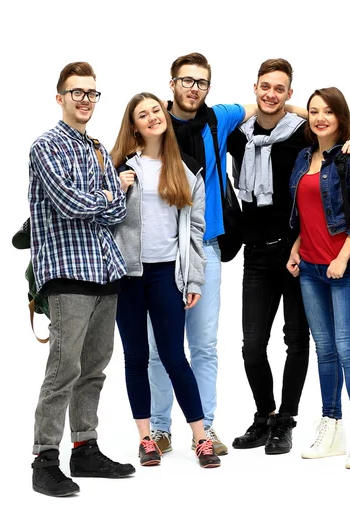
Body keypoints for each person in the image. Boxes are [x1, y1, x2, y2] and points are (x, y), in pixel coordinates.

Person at [28, 62, 135, 497]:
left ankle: (85, 448)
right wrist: (108, 195)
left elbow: (117, 211)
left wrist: (108, 198)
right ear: (60, 97)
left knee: (94, 368)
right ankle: (44, 459)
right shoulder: (46, 146)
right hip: (67, 274)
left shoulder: (96, 147)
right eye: (77, 92)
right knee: (63, 369)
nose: (86, 99)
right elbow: (71, 203)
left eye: (92, 93)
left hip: (105, 272)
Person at [146, 52, 257, 456]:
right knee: (159, 347)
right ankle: (160, 428)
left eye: (201, 83)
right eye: (187, 81)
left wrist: (316, 112)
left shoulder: (217, 118)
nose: (194, 89)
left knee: (205, 344)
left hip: (206, 247)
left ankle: (205, 428)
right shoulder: (153, 123)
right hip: (160, 252)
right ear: (172, 83)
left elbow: (265, 104)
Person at [110, 92, 220, 469]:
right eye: (144, 114)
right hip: (128, 276)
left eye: (157, 110)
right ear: (134, 124)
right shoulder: (120, 168)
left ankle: (201, 439)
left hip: (165, 275)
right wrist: (117, 190)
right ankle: (146, 439)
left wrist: (193, 280)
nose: (153, 117)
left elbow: (195, 230)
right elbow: (103, 222)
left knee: (175, 356)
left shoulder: (186, 169)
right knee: (136, 358)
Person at [287, 87, 350, 469]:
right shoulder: (303, 158)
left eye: (328, 112)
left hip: (343, 268)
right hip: (308, 268)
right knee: (324, 350)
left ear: (341, 117)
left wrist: (341, 258)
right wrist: (297, 247)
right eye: (314, 112)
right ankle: (331, 425)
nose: (320, 118)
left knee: (348, 351)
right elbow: (309, 213)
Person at [226, 58, 310, 455]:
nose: (271, 94)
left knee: (296, 339)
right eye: (265, 86)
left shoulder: (302, 132)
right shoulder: (238, 135)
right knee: (252, 345)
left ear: (289, 93)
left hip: (296, 251)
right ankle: (264, 416)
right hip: (256, 254)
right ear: (255, 88)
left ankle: (285, 421)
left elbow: (333, 126)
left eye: (279, 88)